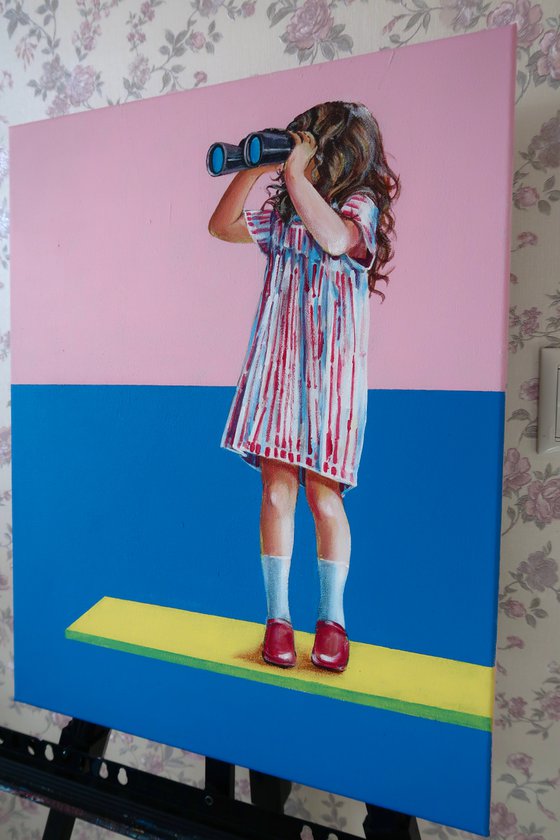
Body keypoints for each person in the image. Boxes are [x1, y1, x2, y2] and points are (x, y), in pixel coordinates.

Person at [208, 101, 399, 673]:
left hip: (331, 375)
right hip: (278, 366)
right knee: (275, 494)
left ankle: (332, 620)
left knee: (323, 497)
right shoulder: (286, 214)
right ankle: (278, 619)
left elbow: (337, 241)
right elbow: (221, 227)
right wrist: (252, 165)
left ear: (336, 152)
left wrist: (294, 174)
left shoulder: (358, 207)